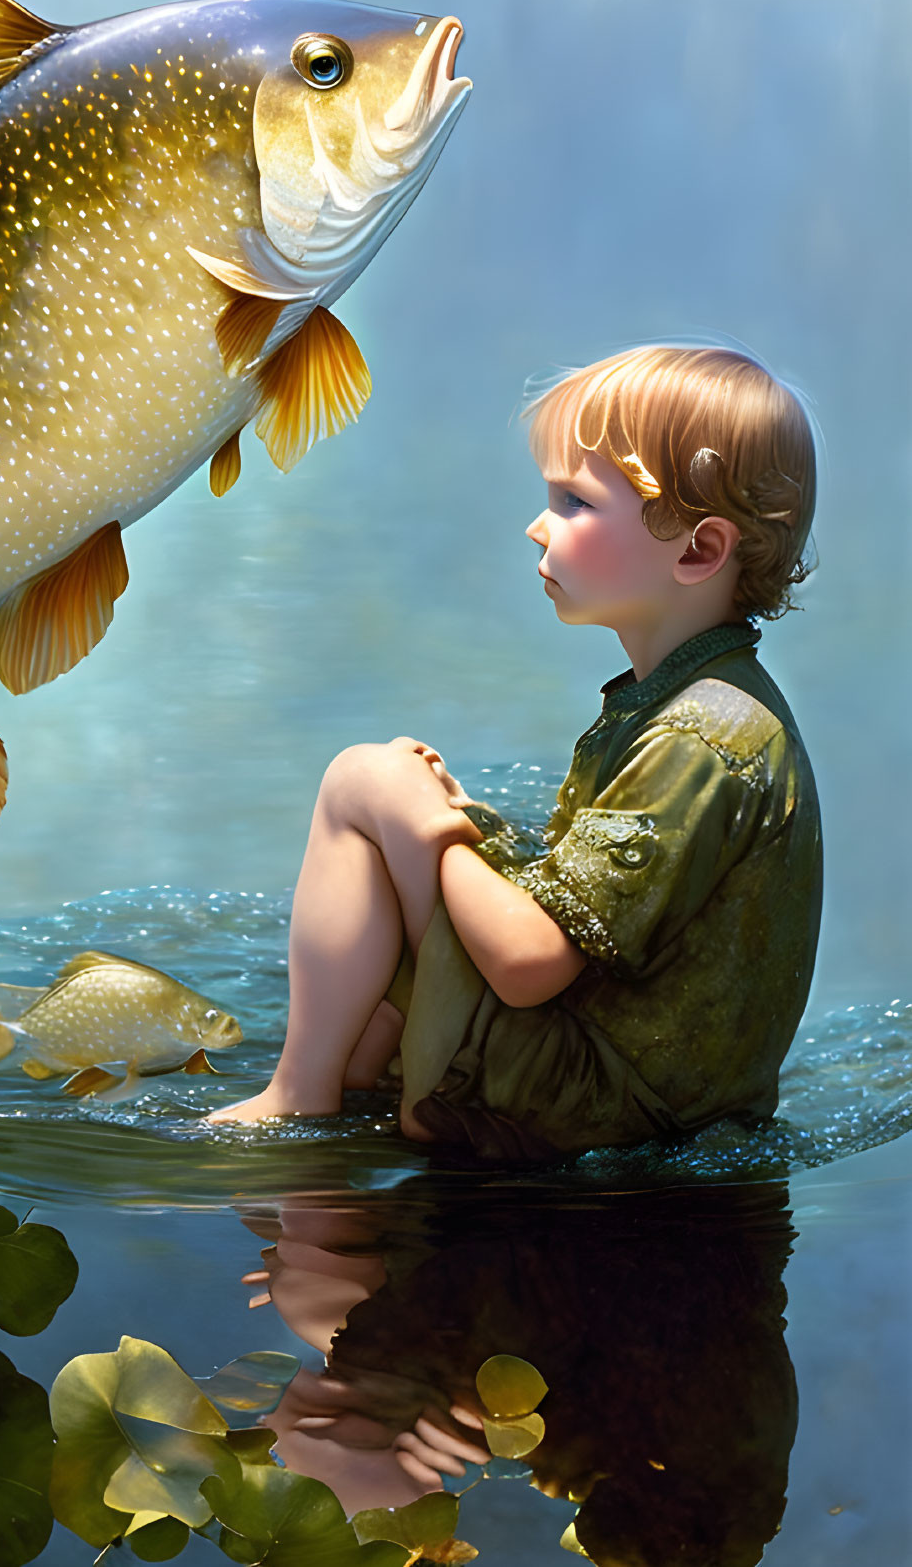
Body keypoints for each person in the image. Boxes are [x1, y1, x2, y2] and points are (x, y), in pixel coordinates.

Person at [208, 345, 822, 1161]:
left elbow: (531, 963)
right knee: (400, 846)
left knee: (367, 780)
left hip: (585, 1105)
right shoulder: (697, 702)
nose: (538, 523)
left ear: (697, 553)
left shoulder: (699, 738)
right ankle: (353, 1061)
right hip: (646, 1086)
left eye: (574, 501)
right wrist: (458, 825)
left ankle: (297, 1096)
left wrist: (430, 827)